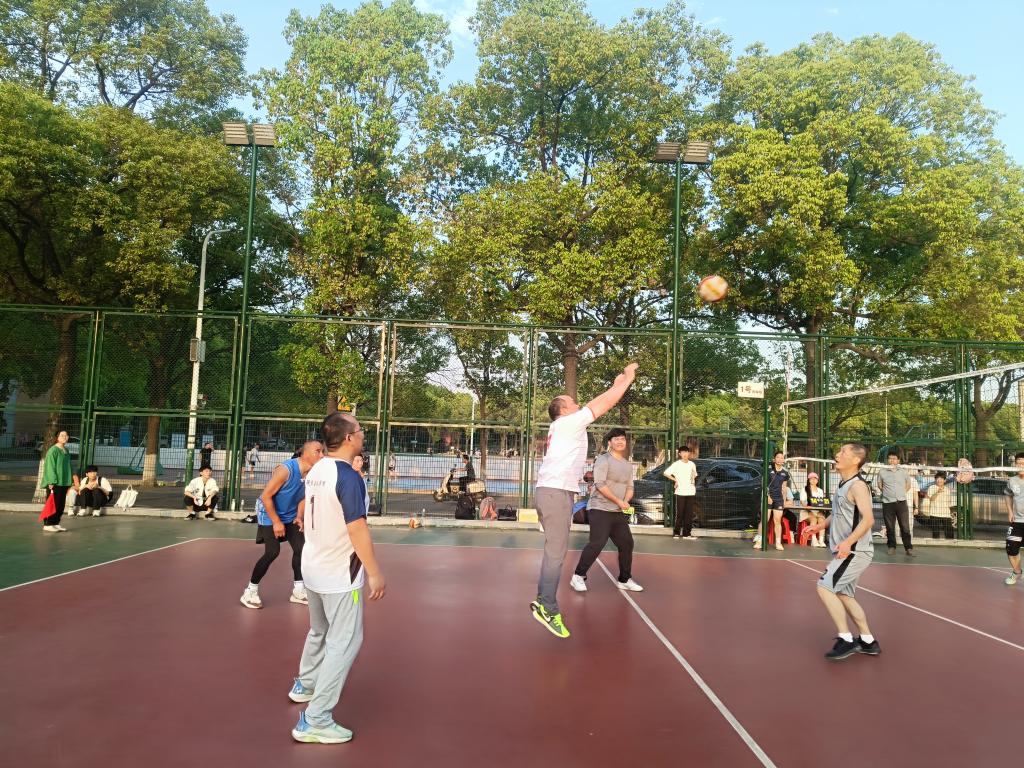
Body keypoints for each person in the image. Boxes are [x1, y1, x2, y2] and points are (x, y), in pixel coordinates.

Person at [289, 412, 386, 745]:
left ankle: (305, 684)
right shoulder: (347, 477)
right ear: (348, 438)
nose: (362, 434)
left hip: (313, 568)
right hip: (339, 575)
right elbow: (356, 528)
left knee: (320, 630)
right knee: (345, 642)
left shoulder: (318, 469)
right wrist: (374, 572)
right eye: (359, 429)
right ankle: (316, 719)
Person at [530, 361, 638, 639]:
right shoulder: (567, 423)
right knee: (556, 553)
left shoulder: (564, 426)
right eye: (572, 402)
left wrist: (617, 385)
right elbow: (602, 404)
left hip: (553, 492)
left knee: (554, 551)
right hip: (555, 493)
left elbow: (603, 400)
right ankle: (547, 607)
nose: (577, 403)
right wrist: (626, 380)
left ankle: (544, 601)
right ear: (563, 410)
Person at [803, 443, 881, 660]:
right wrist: (820, 526)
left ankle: (846, 639)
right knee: (844, 595)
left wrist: (848, 543)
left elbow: (868, 520)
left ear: (855, 460)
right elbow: (837, 512)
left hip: (854, 551)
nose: (837, 454)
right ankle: (868, 641)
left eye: (843, 452)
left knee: (824, 587)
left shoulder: (858, 486)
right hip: (849, 550)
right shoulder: (843, 484)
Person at [240, 441, 324, 610]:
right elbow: (266, 496)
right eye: (318, 451)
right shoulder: (286, 470)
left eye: (323, 451)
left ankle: (298, 590)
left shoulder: (314, 473)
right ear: (305, 454)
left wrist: (299, 516)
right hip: (268, 512)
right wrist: (276, 522)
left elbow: (303, 497)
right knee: (272, 552)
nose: (322, 455)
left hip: (290, 514)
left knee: (301, 549)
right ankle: (250, 591)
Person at [570, 428, 642, 593]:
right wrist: (618, 501)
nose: (620, 442)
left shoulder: (627, 464)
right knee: (597, 542)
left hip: (617, 511)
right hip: (599, 507)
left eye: (622, 439)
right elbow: (600, 485)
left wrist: (625, 501)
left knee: (627, 543)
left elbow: (630, 486)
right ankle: (578, 576)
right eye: (616, 439)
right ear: (610, 443)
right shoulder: (603, 460)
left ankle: (624, 579)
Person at [872, 450, 916, 557]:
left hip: (901, 503)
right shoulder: (882, 472)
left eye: (894, 458)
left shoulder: (903, 472)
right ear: (888, 460)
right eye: (890, 458)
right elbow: (880, 484)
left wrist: (901, 493)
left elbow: (908, 484)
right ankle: (891, 547)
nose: (892, 460)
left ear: (898, 460)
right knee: (890, 527)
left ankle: (908, 548)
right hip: (887, 503)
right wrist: (887, 493)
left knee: (905, 527)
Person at [754, 451, 790, 551]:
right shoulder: (768, 470)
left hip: (779, 499)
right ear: (774, 459)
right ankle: (759, 541)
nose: (780, 459)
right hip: (768, 497)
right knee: (764, 519)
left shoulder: (785, 473)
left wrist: (783, 501)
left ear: (783, 460)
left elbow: (784, 488)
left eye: (781, 458)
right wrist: (768, 496)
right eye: (778, 457)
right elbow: (764, 484)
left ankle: (778, 542)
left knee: (777, 520)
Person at [40, 430, 73, 532]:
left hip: (63, 482)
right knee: (53, 503)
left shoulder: (66, 450)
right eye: (62, 435)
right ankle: (48, 524)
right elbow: (50, 466)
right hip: (55, 482)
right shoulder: (53, 450)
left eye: (66, 435)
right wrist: (51, 481)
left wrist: (69, 481)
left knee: (60, 504)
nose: (65, 437)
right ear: (57, 437)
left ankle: (55, 523)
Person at [663, 444, 698, 540]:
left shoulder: (692, 464)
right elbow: (666, 473)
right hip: (680, 492)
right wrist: (675, 480)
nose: (685, 454)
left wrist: (692, 485)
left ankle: (687, 534)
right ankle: (676, 532)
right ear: (679, 454)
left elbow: (694, 475)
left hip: (691, 492)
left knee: (689, 514)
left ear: (689, 453)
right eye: (683, 452)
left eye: (686, 452)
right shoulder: (676, 464)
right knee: (680, 514)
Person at [1002, 452, 1024, 586]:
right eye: (1018, 463)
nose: (1021, 465)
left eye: (1023, 463)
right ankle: (1017, 572)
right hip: (1017, 522)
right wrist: (1010, 511)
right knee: (1011, 549)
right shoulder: (1012, 481)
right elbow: (1008, 495)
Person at [799, 472, 827, 547]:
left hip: (817, 512)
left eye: (815, 478)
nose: (813, 480)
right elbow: (802, 502)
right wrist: (809, 510)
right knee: (814, 519)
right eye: (811, 479)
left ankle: (821, 540)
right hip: (806, 512)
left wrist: (820, 511)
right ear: (809, 480)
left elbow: (821, 502)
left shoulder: (820, 490)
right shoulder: (804, 489)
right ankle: (813, 540)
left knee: (822, 520)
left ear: (817, 480)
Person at [925, 473, 955, 539]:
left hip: (946, 514)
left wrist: (950, 511)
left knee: (949, 533)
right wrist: (937, 492)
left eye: (941, 479)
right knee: (935, 534)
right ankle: (936, 544)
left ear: (945, 480)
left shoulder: (947, 489)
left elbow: (949, 502)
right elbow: (931, 499)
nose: (939, 480)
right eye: (937, 479)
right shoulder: (932, 487)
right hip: (934, 513)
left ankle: (950, 544)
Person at [352, 452, 371, 516]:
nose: (360, 463)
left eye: (361, 461)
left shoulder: (361, 476)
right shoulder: (350, 477)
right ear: (351, 461)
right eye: (357, 461)